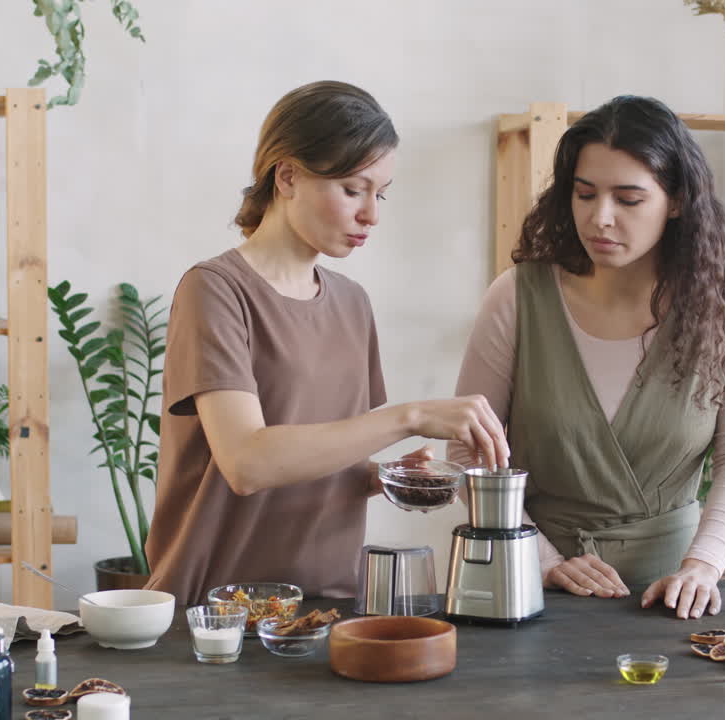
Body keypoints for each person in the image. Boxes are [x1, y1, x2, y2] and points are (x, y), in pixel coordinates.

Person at [146, 81, 510, 606]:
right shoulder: (215, 290)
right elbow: (248, 463)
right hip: (217, 613)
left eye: (380, 194)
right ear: (288, 176)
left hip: (328, 606)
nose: (372, 215)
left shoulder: (352, 302)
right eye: (352, 189)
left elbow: (318, 453)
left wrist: (381, 477)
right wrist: (408, 417)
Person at [449, 95, 725, 619]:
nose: (600, 218)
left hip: (671, 599)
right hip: (528, 590)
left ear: (678, 201)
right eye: (584, 194)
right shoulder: (517, 296)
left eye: (628, 199)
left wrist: (704, 566)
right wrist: (544, 559)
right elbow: (467, 456)